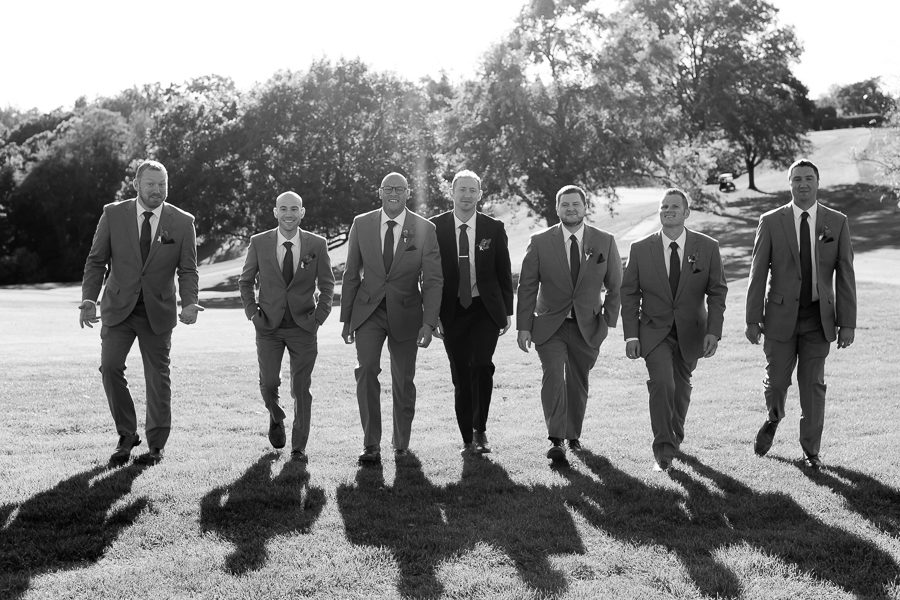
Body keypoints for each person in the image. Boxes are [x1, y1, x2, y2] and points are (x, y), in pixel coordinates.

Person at [80, 160, 202, 466]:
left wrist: (189, 302)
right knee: (109, 368)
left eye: (162, 184)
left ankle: (156, 444)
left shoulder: (182, 221)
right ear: (137, 184)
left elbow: (188, 269)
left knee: (157, 377)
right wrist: (88, 299)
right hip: (119, 307)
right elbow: (97, 261)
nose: (157, 190)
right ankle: (126, 434)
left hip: (157, 311)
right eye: (150, 184)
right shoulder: (113, 214)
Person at [746, 159, 856, 469]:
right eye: (797, 179)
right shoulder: (770, 221)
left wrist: (847, 323)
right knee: (777, 382)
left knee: (813, 386)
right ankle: (773, 417)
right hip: (780, 318)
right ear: (789, 183)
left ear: (818, 183)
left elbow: (845, 274)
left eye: (808, 178)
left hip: (818, 319)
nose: (803, 184)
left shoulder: (837, 222)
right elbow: (757, 274)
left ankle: (811, 453)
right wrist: (752, 318)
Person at [620, 188, 728, 471]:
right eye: (664, 206)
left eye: (674, 206)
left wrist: (713, 332)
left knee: (681, 389)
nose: (668, 210)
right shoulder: (640, 249)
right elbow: (629, 294)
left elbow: (717, 292)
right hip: (654, 332)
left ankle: (675, 437)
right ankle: (663, 451)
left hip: (692, 332)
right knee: (662, 384)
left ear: (686, 212)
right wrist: (631, 335)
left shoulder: (707, 247)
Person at [340, 172, 443, 464]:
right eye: (388, 188)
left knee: (403, 379)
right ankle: (371, 444)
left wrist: (429, 322)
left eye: (399, 188)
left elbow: (433, 279)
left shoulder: (425, 228)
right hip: (368, 311)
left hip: (408, 313)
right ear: (380, 192)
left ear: (408, 192)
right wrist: (346, 319)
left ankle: (401, 444)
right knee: (367, 370)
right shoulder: (361, 224)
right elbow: (350, 275)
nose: (394, 193)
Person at [516, 185, 622, 462]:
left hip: (587, 326)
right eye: (565, 204)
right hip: (549, 325)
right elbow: (527, 287)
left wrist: (608, 320)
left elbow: (616, 285)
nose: (571, 209)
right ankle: (556, 439)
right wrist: (524, 326)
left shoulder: (605, 241)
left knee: (578, 381)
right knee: (553, 376)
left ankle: (573, 435)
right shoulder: (539, 241)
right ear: (557, 208)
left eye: (576, 204)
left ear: (585, 208)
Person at [238, 191, 335, 463]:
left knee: (301, 388)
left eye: (294, 208)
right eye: (284, 208)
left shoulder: (317, 243)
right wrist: (252, 315)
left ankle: (298, 448)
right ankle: (275, 414)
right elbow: (245, 282)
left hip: (304, 327)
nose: (289, 213)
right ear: (275, 212)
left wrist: (319, 317)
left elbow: (327, 285)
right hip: (267, 326)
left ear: (302, 212)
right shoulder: (259, 242)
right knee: (269, 384)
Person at [431, 170, 514, 455]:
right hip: (451, 310)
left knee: (481, 365)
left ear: (480, 194)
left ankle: (481, 431)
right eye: (462, 189)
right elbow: (427, 276)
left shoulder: (493, 228)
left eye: (472, 190)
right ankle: (466, 437)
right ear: (452, 193)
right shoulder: (435, 227)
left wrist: (507, 312)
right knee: (460, 374)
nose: (467, 195)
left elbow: (504, 271)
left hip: (484, 309)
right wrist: (433, 315)